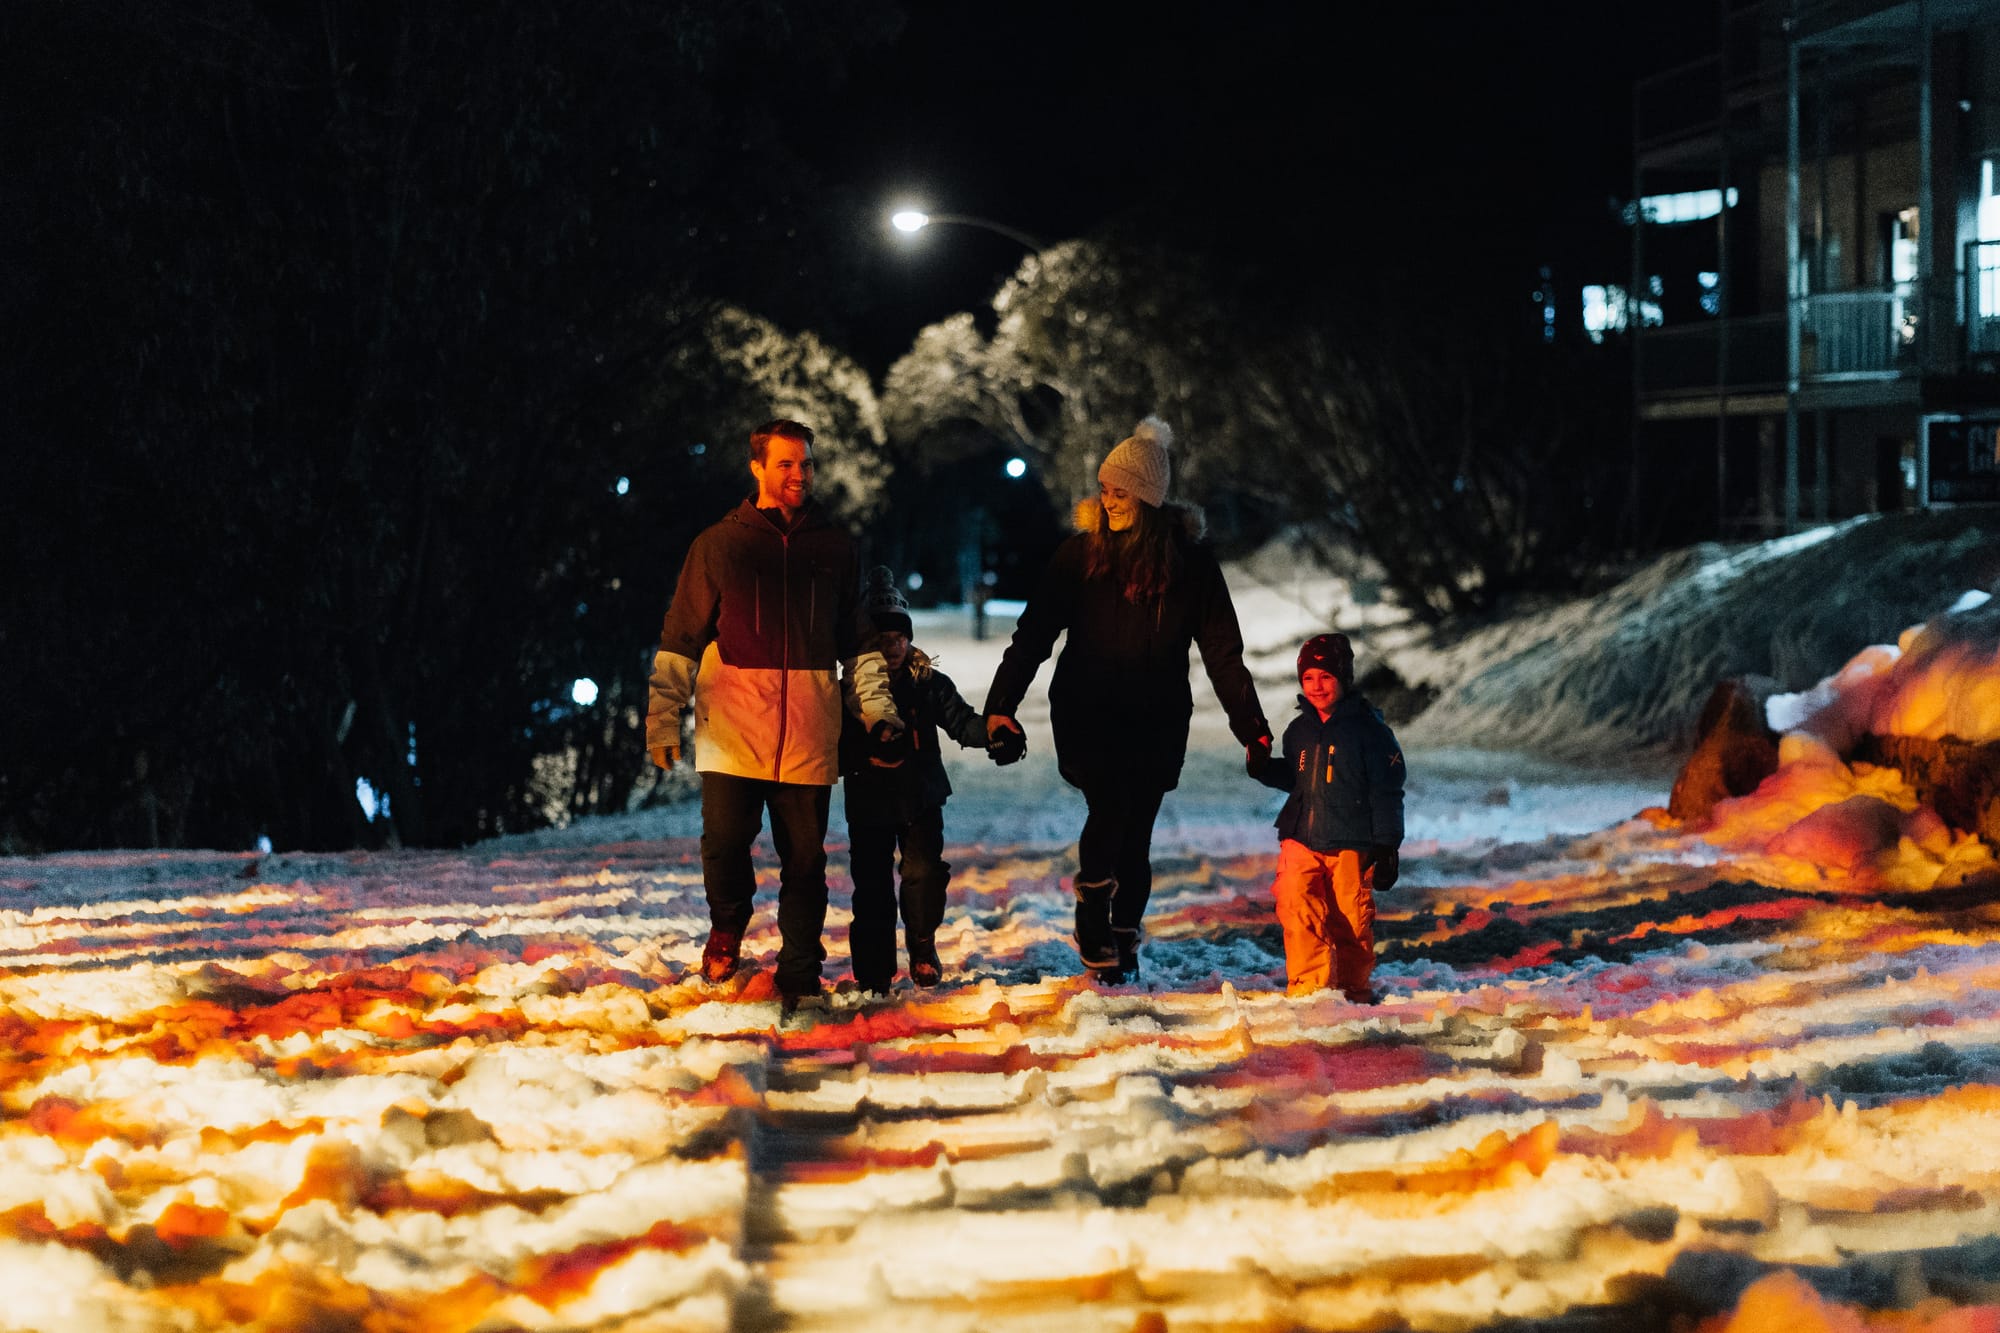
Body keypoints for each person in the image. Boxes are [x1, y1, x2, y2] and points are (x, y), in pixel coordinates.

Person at [983, 417, 1271, 983]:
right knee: (1111, 806)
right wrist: (1000, 705)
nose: (1108, 500)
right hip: (1088, 710)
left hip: (1158, 716)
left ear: (1150, 498)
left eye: (1121, 491)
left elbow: (1223, 654)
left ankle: (1123, 936)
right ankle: (1093, 906)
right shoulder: (1080, 557)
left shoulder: (1192, 568)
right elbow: (1033, 635)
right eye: (1105, 489)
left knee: (1137, 830)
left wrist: (1253, 728)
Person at [646, 418, 901, 1012]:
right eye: (785, 464)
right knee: (725, 845)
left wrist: (878, 712)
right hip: (732, 731)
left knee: (807, 862)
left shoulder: (836, 546)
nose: (799, 475)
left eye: (807, 464)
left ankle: (800, 967)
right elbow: (680, 638)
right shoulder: (719, 544)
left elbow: (859, 643)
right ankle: (727, 927)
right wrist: (663, 719)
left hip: (810, 731)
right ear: (757, 467)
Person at [838, 567, 992, 993]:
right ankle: (874, 972)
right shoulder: (849, 694)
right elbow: (831, 745)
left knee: (923, 875)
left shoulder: (930, 684)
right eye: (884, 639)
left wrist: (993, 734)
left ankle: (922, 943)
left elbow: (962, 723)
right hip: (868, 799)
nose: (894, 647)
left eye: (900, 637)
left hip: (921, 798)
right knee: (872, 890)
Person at [1246, 632, 1405, 1001]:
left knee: (1349, 918)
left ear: (1344, 679)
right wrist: (1262, 768)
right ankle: (1309, 988)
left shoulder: (1370, 732)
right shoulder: (1298, 730)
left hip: (1352, 841)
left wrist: (1386, 846)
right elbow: (1298, 780)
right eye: (1308, 678)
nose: (1317, 686)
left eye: (1326, 677)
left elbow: (1387, 790)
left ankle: (1352, 988)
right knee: (1294, 902)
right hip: (1301, 835)